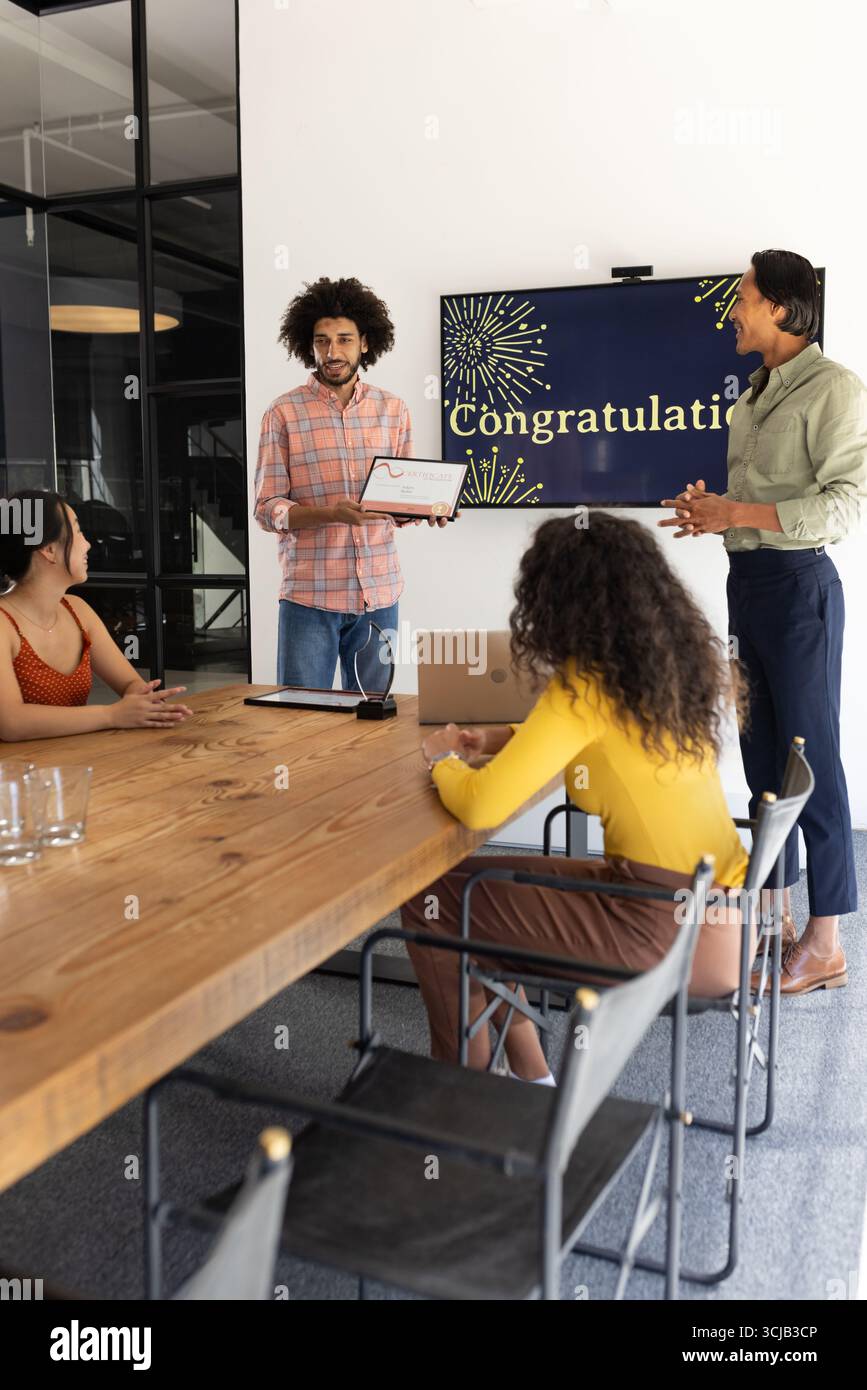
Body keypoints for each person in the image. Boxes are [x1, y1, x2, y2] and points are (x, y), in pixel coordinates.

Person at [402, 513, 749, 1081]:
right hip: (723, 919)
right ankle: (531, 1074)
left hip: (664, 932)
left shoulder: (584, 686)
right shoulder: (662, 677)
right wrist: (500, 739)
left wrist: (440, 760)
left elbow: (480, 806)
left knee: (434, 901)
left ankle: (458, 1084)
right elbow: (597, 746)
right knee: (469, 888)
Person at [659, 249, 866, 995]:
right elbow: (755, 511)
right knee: (761, 761)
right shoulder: (750, 397)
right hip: (746, 584)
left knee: (813, 762)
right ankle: (773, 920)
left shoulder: (834, 389)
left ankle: (825, 942)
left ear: (779, 305)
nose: (732, 310)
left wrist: (738, 513)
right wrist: (712, 518)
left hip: (800, 588)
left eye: (742, 296)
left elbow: (844, 504)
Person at [253, 275, 448, 692]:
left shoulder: (393, 410)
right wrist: (330, 514)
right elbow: (267, 509)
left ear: (364, 343)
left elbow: (401, 498)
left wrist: (429, 508)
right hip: (310, 598)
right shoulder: (282, 413)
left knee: (375, 722)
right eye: (322, 341)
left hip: (380, 595)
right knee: (302, 721)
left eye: (344, 339)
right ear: (309, 345)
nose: (332, 351)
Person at [0, 490, 193, 741]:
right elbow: (11, 723)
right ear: (48, 549)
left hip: (73, 766)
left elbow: (129, 684)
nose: (88, 543)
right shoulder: (3, 624)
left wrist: (143, 700)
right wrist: (111, 715)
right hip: (18, 777)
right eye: (78, 531)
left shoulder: (77, 610)